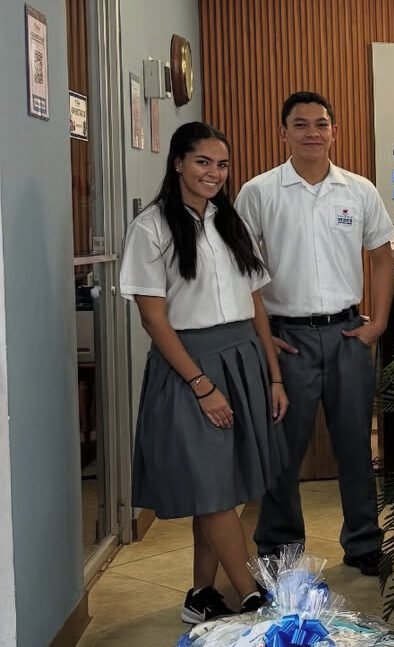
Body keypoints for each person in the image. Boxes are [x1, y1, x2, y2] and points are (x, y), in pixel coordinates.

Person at [120, 121, 287, 622]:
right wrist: (200, 384)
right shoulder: (150, 227)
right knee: (211, 485)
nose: (214, 173)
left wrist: (273, 376)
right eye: (202, 162)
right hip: (190, 367)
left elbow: (256, 306)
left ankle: (200, 593)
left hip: (243, 357)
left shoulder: (228, 222)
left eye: (222, 164)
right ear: (177, 163)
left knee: (223, 486)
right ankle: (256, 598)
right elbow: (153, 317)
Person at [236, 92, 394, 576]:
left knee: (356, 447)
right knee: (283, 453)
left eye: (321, 124)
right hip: (287, 339)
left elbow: (383, 256)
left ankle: (364, 542)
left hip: (349, 334)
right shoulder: (259, 192)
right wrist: (263, 338)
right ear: (283, 132)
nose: (312, 132)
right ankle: (280, 546)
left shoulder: (359, 190)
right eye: (300, 124)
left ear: (334, 132)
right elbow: (241, 272)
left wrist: (380, 324)